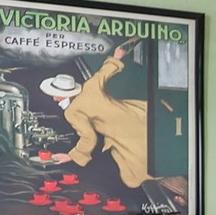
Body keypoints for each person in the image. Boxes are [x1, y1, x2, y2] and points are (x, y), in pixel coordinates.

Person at [39, 45, 154, 190]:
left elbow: (89, 138)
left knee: (136, 172)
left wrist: (71, 156)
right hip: (137, 114)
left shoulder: (72, 112)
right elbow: (103, 73)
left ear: (57, 95)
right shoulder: (90, 86)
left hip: (123, 134)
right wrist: (117, 55)